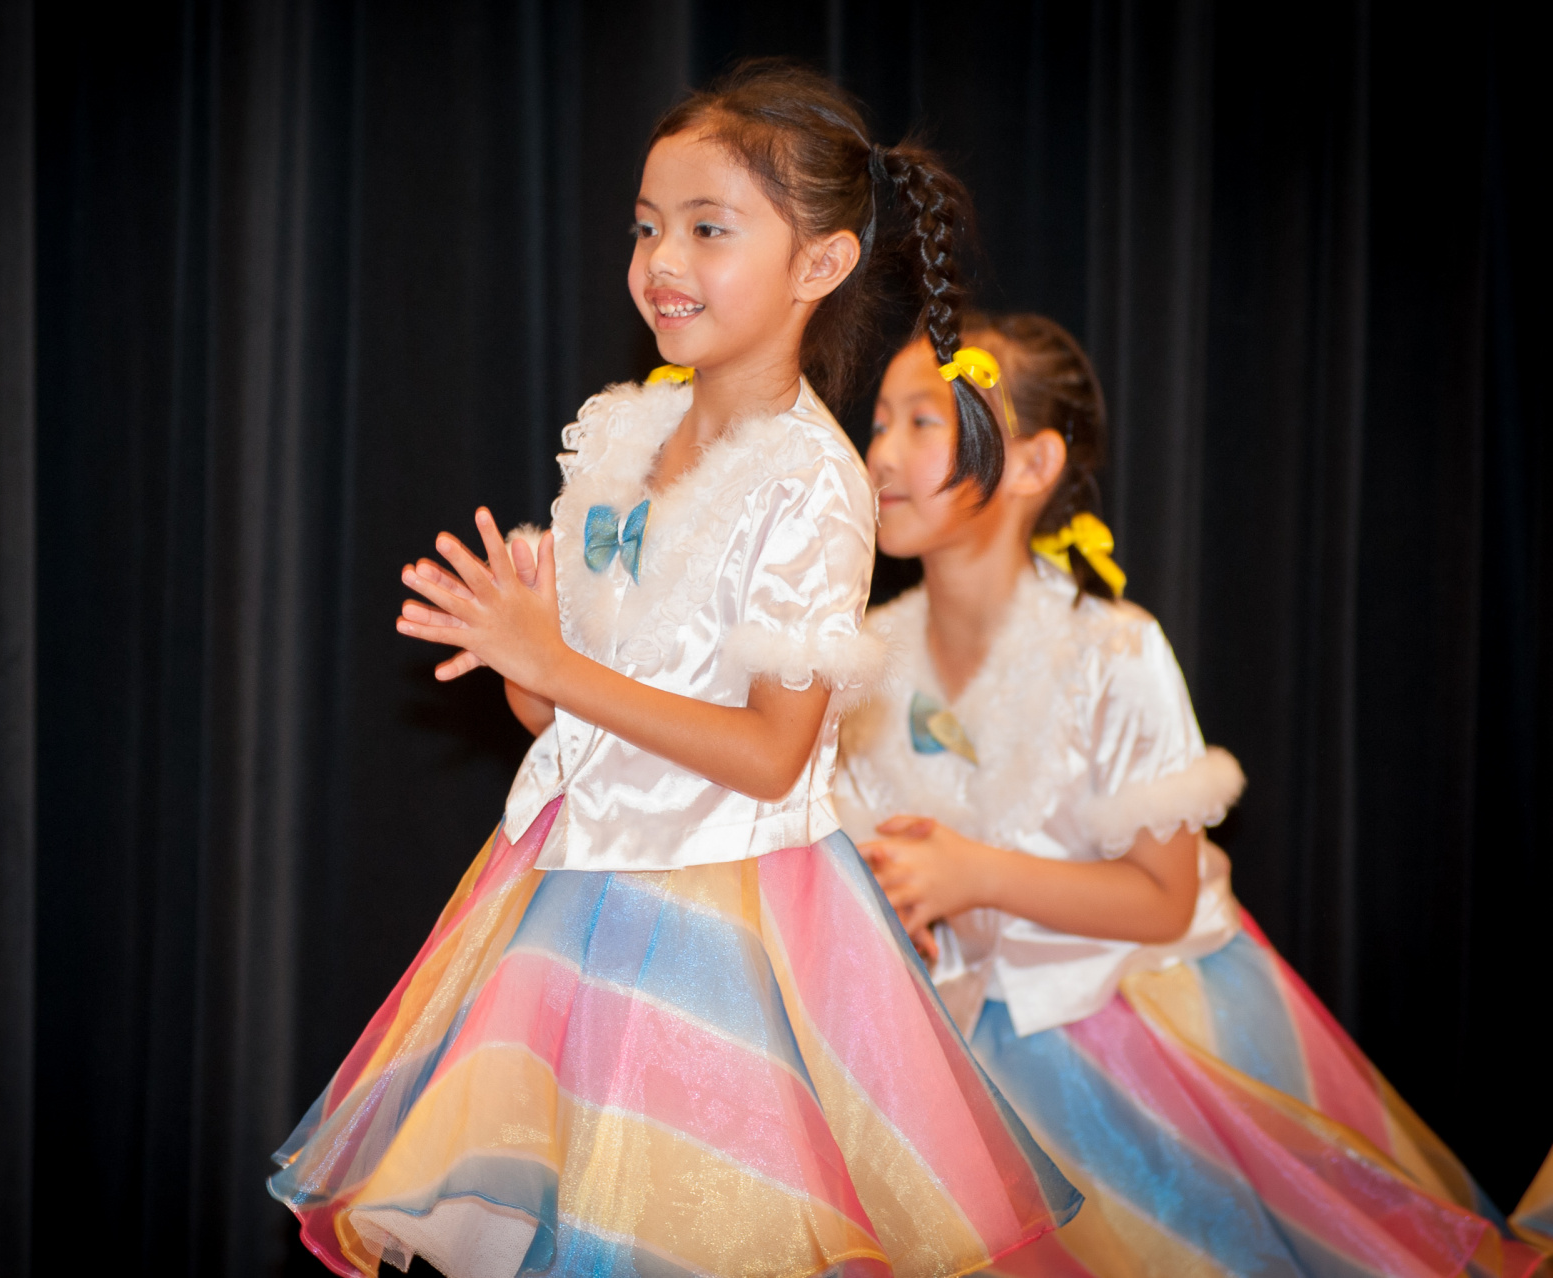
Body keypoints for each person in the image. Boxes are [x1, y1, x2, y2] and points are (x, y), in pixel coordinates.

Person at [268, 63, 1080, 1278]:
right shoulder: (622, 434)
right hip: (571, 894)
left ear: (820, 263)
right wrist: (521, 653)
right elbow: (570, 718)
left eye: (709, 228)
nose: (661, 261)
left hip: (724, 927)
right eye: (647, 227)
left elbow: (771, 755)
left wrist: (556, 666)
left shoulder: (814, 480)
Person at [838, 312, 1546, 1278]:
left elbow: (1163, 895)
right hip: (947, 1054)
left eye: (924, 421)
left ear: (1035, 464)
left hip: (1122, 1045)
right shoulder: (866, 658)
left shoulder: (1113, 653)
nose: (881, 452)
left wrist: (973, 874)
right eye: (880, 421)